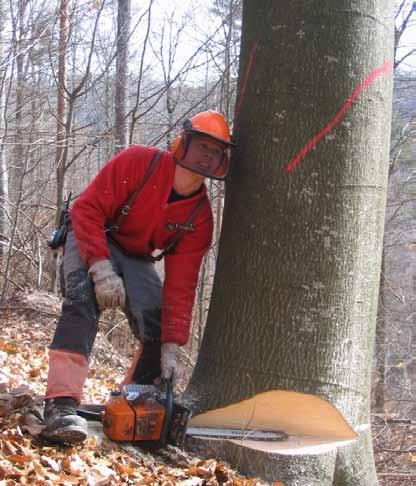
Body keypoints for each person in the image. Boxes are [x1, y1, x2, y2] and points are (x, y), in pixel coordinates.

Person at [42, 110, 234, 444]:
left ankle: (133, 406)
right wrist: (100, 269)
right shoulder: (138, 163)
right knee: (81, 301)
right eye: (202, 145)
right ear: (183, 143)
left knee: (158, 329)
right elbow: (86, 209)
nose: (207, 155)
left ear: (222, 161)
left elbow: (182, 284)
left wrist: (173, 344)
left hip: (136, 256)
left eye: (215, 151)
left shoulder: (199, 217)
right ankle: (61, 404)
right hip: (92, 234)